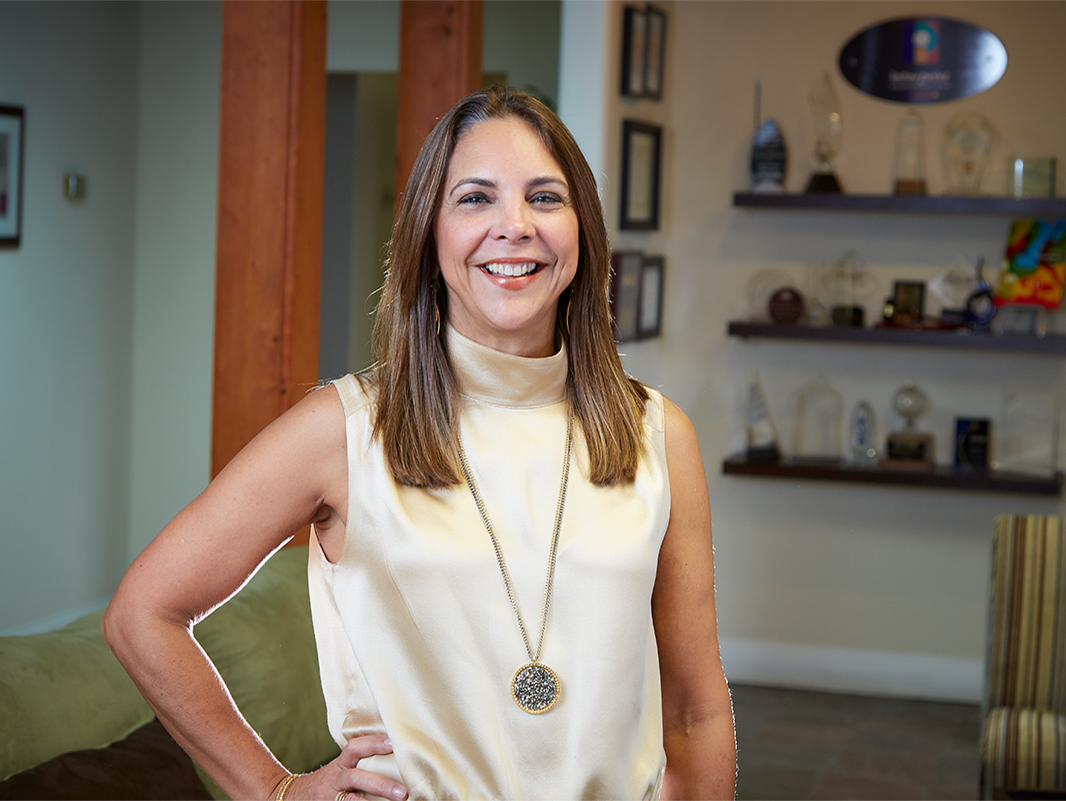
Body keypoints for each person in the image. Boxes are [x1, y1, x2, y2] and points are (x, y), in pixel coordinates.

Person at [103, 86, 735, 801]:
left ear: (583, 230)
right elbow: (143, 613)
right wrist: (274, 790)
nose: (514, 225)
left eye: (545, 197)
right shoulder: (342, 430)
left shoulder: (660, 435)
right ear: (428, 237)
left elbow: (696, 711)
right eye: (475, 198)